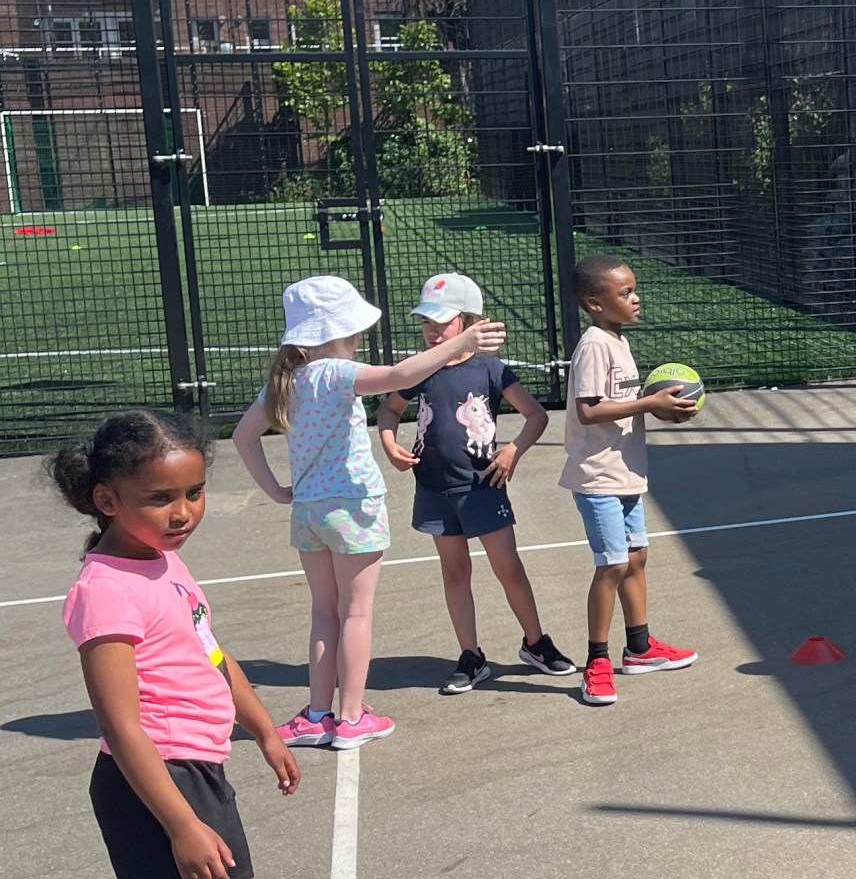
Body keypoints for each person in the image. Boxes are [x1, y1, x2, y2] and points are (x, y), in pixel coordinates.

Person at [41, 410, 300, 879]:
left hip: (198, 770)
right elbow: (122, 727)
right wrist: (181, 823)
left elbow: (209, 652)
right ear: (106, 499)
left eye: (193, 492)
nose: (182, 511)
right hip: (155, 783)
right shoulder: (105, 591)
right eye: (159, 497)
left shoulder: (162, 561)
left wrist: (263, 727)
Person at [232, 276, 508, 751]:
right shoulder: (338, 373)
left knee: (324, 613)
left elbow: (243, 436)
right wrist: (461, 342)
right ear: (340, 331)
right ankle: (351, 717)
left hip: (310, 512)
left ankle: (317, 714)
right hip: (353, 509)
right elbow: (400, 376)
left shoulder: (286, 381)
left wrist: (277, 491)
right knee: (355, 614)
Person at [377, 272, 574, 695]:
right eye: (426, 322)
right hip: (434, 488)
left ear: (469, 322)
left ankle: (536, 643)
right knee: (455, 572)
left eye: (442, 321)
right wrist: (390, 445)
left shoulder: (490, 369)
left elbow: (536, 415)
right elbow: (388, 410)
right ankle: (471, 655)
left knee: (509, 568)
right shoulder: (419, 370)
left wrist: (513, 450)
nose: (432, 330)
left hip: (482, 486)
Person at [562, 254, 702, 708]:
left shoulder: (618, 339)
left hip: (626, 471)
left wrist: (657, 404)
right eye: (625, 293)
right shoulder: (594, 345)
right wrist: (648, 405)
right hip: (599, 474)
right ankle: (597, 662)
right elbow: (589, 410)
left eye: (634, 289)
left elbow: (619, 400)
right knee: (613, 565)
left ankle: (640, 648)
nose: (636, 298)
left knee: (636, 558)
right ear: (595, 303)